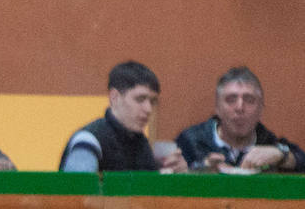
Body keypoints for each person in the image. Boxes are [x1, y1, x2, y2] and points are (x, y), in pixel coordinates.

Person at [59, 61, 186, 173]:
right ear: (114, 97)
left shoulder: (141, 144)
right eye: (140, 99)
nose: (148, 109)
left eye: (152, 101)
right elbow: (76, 195)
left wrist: (176, 176)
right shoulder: (88, 141)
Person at [174, 67, 302, 173]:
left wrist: (281, 155)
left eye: (249, 100)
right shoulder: (190, 141)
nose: (240, 107)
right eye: (231, 99)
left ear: (261, 109)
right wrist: (197, 170)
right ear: (217, 108)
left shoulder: (268, 142)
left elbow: (301, 160)